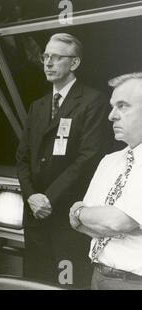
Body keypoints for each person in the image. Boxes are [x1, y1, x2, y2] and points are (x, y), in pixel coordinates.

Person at [16, 33, 113, 288]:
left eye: (56, 57)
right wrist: (31, 196)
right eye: (45, 56)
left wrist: (49, 197)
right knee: (35, 282)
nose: (48, 62)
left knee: (66, 283)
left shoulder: (93, 102)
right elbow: (22, 157)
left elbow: (89, 157)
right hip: (35, 216)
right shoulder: (37, 106)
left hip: (67, 219)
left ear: (74, 63)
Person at [69, 72, 142, 290]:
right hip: (98, 276)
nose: (111, 116)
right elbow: (82, 227)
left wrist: (78, 212)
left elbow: (118, 222)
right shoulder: (109, 161)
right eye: (112, 106)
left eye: (123, 106)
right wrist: (85, 218)